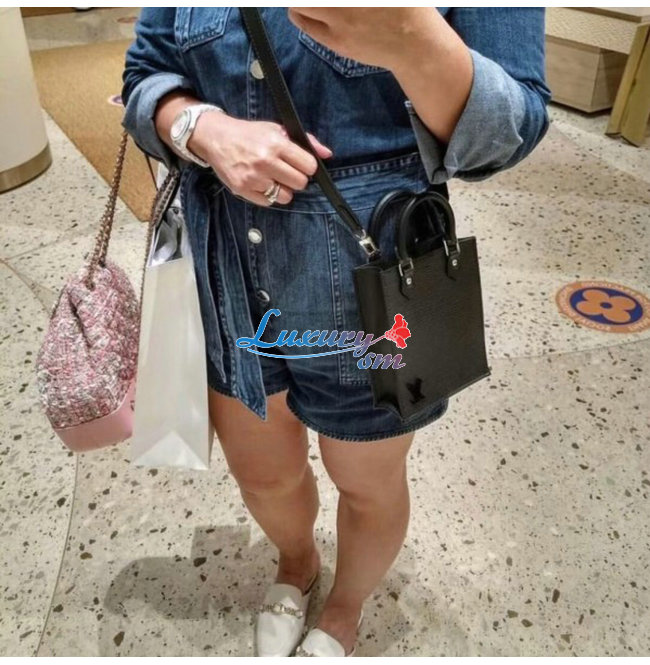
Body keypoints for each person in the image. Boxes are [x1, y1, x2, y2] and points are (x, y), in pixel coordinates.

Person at [122, 8, 550, 657]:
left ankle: (346, 606)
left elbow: (511, 129)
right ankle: (297, 562)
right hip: (228, 273)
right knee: (262, 475)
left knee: (369, 481)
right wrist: (201, 127)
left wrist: (411, 39)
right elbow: (146, 77)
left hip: (373, 285)